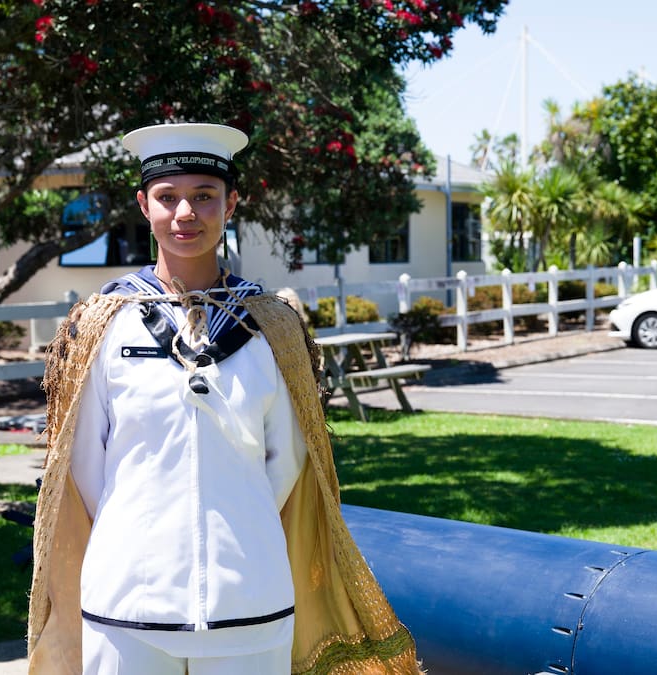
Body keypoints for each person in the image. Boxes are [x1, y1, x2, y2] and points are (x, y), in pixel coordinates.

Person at [26, 122, 419, 674]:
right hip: (127, 605)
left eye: (204, 196)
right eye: (168, 198)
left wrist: (238, 517)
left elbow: (288, 460)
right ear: (144, 205)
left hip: (251, 603)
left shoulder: (272, 328)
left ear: (231, 203)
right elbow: (86, 468)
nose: (186, 213)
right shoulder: (105, 327)